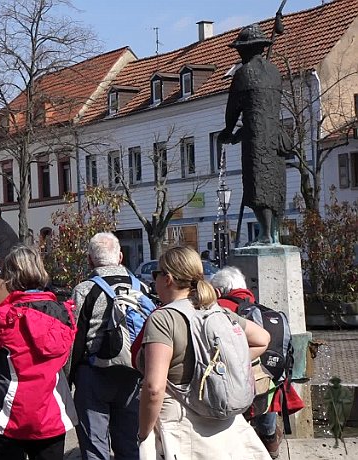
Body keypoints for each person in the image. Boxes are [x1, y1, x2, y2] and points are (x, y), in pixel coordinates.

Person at [136, 247, 271, 459]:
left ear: (168, 279)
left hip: (181, 428)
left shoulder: (163, 319)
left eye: (156, 274)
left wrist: (143, 434)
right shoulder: (218, 311)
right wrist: (224, 366)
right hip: (225, 429)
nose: (154, 281)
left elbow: (154, 388)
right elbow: (263, 339)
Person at [0, 245, 77, 460]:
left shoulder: (3, 317)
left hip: (9, 412)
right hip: (52, 410)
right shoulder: (63, 313)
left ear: (10, 276)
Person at [69, 232, 151, 460]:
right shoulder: (141, 288)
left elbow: (75, 338)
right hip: (132, 374)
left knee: (95, 445)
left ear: (90, 260)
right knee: (129, 443)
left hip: (94, 373)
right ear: (121, 256)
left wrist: (70, 377)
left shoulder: (85, 290)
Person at [219, 24, 292, 245]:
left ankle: (266, 234)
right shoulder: (274, 71)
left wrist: (227, 132)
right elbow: (263, 108)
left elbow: (233, 108)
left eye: (240, 49)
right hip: (275, 135)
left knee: (257, 184)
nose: (238, 53)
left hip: (256, 139)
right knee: (275, 183)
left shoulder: (243, 74)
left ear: (247, 49)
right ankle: (274, 234)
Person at [210, 266, 281, 458]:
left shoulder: (220, 309)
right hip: (267, 380)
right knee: (266, 402)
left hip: (232, 382)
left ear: (217, 291)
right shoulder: (261, 308)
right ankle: (271, 442)